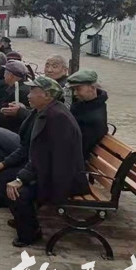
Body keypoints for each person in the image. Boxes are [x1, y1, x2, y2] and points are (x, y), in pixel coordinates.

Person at [6, 76, 89, 247]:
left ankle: (30, 234)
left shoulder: (56, 117)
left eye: (33, 91)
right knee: (8, 178)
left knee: (20, 192)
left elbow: (44, 157)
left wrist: (21, 179)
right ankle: (25, 221)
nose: (28, 95)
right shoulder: (47, 111)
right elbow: (41, 155)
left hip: (63, 179)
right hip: (52, 171)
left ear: (47, 95)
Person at [66, 69, 109, 161]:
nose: (75, 93)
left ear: (92, 87)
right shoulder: (85, 105)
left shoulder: (95, 119)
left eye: (78, 89)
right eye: (73, 90)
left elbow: (79, 148)